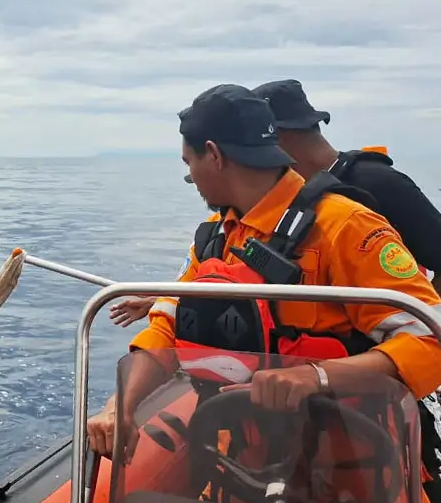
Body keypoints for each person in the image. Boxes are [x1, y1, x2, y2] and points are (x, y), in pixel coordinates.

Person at [86, 83, 441, 503]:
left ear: (213, 155)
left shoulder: (346, 227)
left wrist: (317, 378)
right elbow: (166, 326)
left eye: (188, 163)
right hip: (244, 478)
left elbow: (428, 339)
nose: (191, 178)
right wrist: (122, 406)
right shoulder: (215, 239)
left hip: (361, 484)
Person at [109, 78, 441, 327]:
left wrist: (403, 345)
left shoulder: (367, 192)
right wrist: (166, 300)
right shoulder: (248, 215)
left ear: (277, 137)